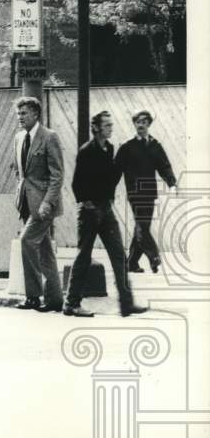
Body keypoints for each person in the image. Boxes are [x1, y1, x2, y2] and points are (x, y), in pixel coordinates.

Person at [64, 111, 148, 318]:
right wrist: (88, 203)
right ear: (96, 128)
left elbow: (109, 177)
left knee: (119, 254)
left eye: (111, 125)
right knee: (84, 256)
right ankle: (71, 304)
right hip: (90, 212)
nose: (111, 128)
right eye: (107, 125)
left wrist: (109, 197)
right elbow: (77, 183)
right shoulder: (87, 151)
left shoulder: (109, 148)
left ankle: (126, 304)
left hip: (106, 210)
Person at [11, 96, 65, 313]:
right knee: (44, 251)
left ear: (36, 114)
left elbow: (57, 175)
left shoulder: (49, 137)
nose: (20, 117)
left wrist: (47, 202)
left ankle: (33, 296)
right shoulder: (18, 138)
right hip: (25, 202)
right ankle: (55, 299)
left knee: (26, 241)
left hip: (43, 205)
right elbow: (19, 171)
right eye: (18, 113)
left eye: (24, 113)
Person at [115, 109, 177, 274]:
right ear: (134, 124)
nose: (140, 125)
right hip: (135, 193)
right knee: (142, 226)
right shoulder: (127, 146)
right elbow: (115, 170)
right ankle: (154, 256)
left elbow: (164, 166)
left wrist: (172, 184)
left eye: (144, 122)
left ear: (149, 124)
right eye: (138, 122)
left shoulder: (155, 146)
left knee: (142, 226)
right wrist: (107, 190)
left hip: (149, 192)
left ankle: (131, 263)